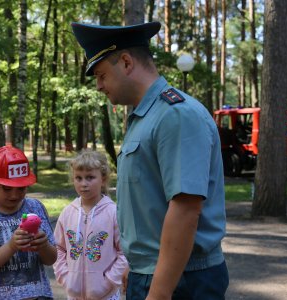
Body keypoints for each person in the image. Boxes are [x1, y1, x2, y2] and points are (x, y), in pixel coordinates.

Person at [71, 22, 229, 299]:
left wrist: (158, 292)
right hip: (155, 274)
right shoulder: (146, 117)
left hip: (182, 281)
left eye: (101, 75)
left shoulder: (176, 115)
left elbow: (185, 210)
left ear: (126, 62)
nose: (98, 86)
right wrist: (138, 265)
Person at [0, 145, 57, 300]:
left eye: (21, 188)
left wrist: (43, 245)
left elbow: (51, 259)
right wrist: (11, 246)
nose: (14, 195)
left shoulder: (35, 207)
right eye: (6, 188)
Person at [53, 150, 128, 300]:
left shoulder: (113, 212)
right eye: (78, 178)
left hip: (106, 296)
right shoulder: (68, 213)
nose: (84, 184)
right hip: (73, 295)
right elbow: (59, 248)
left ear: (103, 178)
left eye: (90, 177)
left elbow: (124, 252)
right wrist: (65, 278)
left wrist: (109, 282)